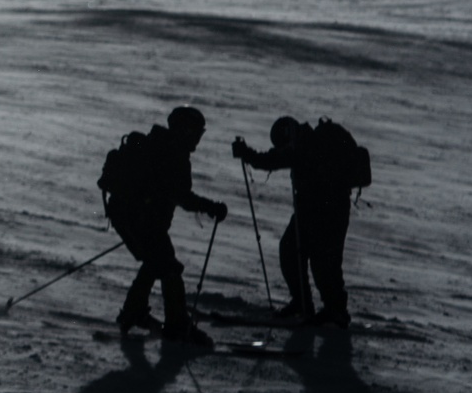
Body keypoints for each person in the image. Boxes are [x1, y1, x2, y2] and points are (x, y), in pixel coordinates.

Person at [99, 105, 227, 348]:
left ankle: (133, 313)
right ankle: (176, 325)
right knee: (168, 267)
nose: (198, 139)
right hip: (139, 219)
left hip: (131, 217)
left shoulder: (162, 147)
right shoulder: (170, 155)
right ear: (185, 131)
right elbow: (181, 196)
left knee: (156, 263)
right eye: (196, 133)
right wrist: (211, 207)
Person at [232, 116, 359, 329]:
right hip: (321, 209)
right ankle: (314, 305)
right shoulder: (311, 140)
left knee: (320, 260)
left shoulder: (306, 144)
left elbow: (272, 160)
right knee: (303, 254)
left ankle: (331, 310)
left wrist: (247, 154)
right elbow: (278, 158)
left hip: (322, 210)